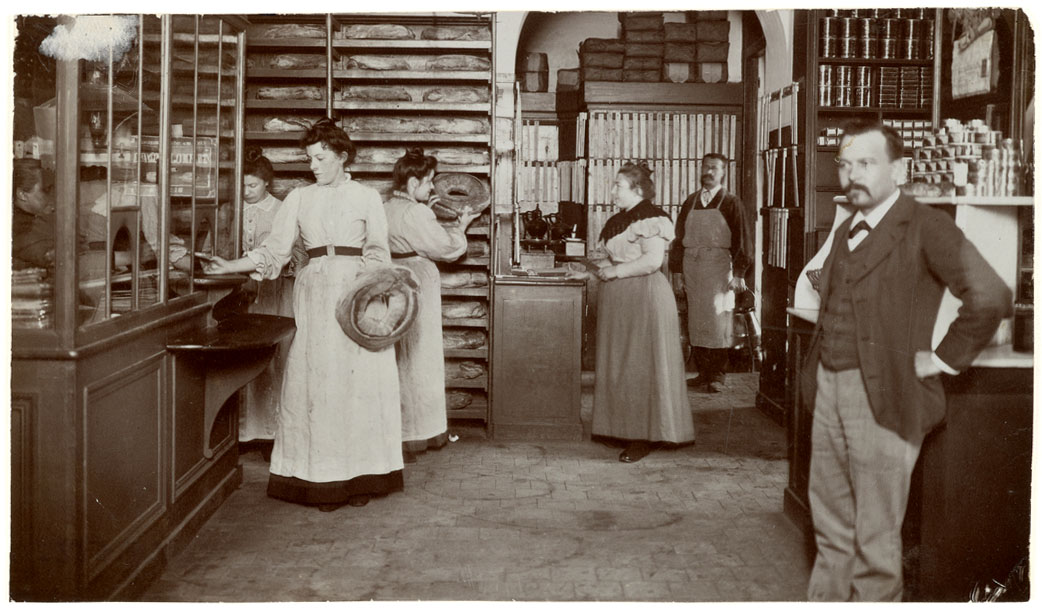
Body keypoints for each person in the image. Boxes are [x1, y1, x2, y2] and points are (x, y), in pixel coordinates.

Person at [802, 119, 1011, 601]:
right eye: (845, 164)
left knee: (875, 548)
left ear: (899, 171)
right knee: (832, 537)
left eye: (866, 164)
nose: (852, 175)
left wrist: (944, 360)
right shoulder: (848, 224)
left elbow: (991, 295)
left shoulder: (926, 225)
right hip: (828, 391)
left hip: (885, 396)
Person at [202, 118, 403, 511]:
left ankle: (362, 476)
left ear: (342, 157)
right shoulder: (299, 198)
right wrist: (229, 266)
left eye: (321, 158)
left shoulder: (366, 197)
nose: (313, 165)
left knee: (358, 385)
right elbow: (274, 252)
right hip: (313, 291)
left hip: (358, 294)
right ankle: (321, 481)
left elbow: (379, 251)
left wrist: (366, 290)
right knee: (319, 385)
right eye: (309, 158)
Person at [576, 161, 694, 463]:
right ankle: (620, 428)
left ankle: (643, 437)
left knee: (640, 367)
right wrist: (592, 267)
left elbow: (652, 261)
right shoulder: (619, 219)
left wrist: (613, 273)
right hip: (620, 300)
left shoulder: (651, 218)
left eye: (618, 185)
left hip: (645, 297)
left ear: (638, 190)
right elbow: (613, 258)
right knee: (621, 365)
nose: (612, 190)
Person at [384, 148, 479, 463]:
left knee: (395, 357)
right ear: (412, 183)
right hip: (417, 279)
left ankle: (394, 434)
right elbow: (444, 248)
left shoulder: (385, 207)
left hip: (390, 279)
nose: (431, 189)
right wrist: (461, 227)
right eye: (428, 183)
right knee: (419, 358)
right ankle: (416, 434)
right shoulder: (417, 213)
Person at [669, 153, 752, 393]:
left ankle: (718, 375)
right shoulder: (691, 201)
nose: (709, 172)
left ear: (723, 173)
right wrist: (677, 272)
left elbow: (742, 240)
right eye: (706, 167)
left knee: (718, 320)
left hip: (718, 268)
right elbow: (678, 238)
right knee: (696, 321)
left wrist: (739, 273)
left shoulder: (731, 202)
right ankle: (703, 372)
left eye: (714, 168)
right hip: (692, 267)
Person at [237, 147, 298, 448]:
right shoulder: (230, 210)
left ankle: (273, 434)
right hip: (241, 297)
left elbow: (294, 254)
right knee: (244, 358)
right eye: (242, 185)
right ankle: (245, 432)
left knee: (275, 356)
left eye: (252, 185)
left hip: (273, 294)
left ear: (267, 184)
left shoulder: (281, 210)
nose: (245, 191)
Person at [12, 163, 57, 269]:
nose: (53, 196)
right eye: (45, 190)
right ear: (22, 195)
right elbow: (48, 256)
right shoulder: (20, 228)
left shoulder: (33, 217)